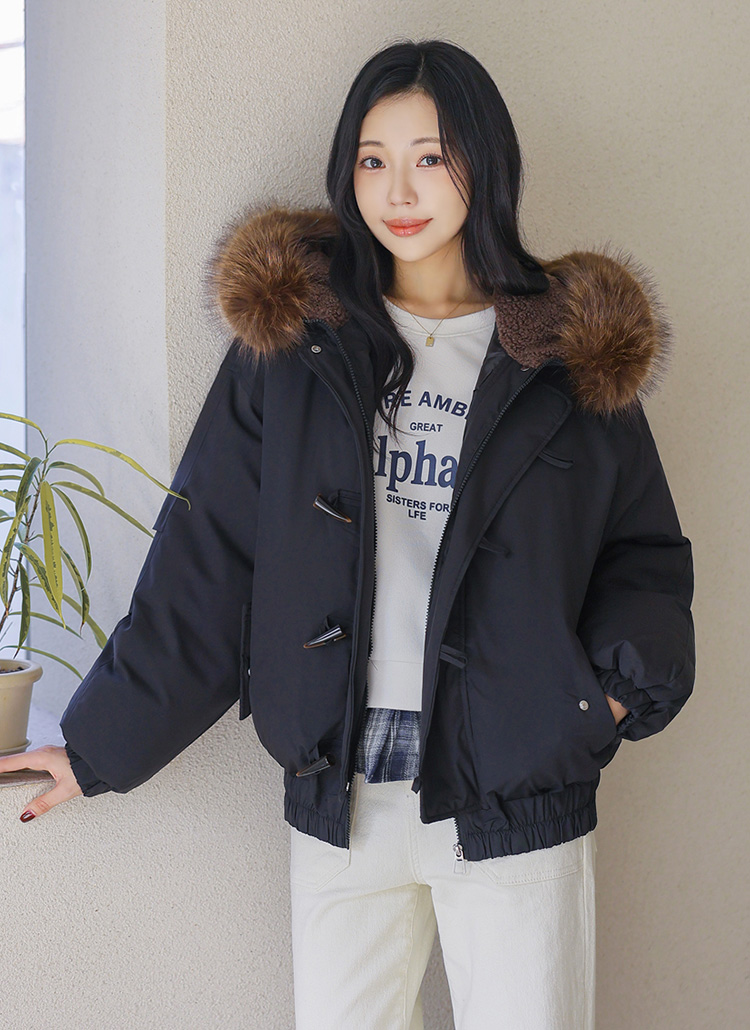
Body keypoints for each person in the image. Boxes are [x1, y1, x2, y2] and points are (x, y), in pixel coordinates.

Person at [0, 38, 695, 1030]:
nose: (397, 190)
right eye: (373, 159)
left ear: (486, 163)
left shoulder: (565, 355)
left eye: (430, 156)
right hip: (344, 794)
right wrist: (101, 743)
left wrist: (599, 701)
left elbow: (644, 554)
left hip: (516, 792)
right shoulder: (298, 346)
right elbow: (209, 555)